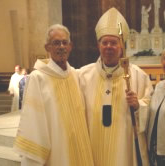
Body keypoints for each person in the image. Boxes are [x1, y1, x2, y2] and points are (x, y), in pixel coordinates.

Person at [78, 7, 153, 166]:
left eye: (114, 42)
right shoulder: (83, 76)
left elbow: (150, 108)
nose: (109, 46)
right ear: (99, 46)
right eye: (105, 42)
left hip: (124, 149)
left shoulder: (138, 76)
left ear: (122, 47)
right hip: (93, 146)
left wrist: (138, 105)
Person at [13, 24, 94, 166]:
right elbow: (34, 121)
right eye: (56, 43)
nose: (61, 46)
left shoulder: (75, 75)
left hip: (81, 150)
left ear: (70, 46)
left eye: (64, 42)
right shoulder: (38, 78)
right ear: (47, 47)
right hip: (57, 153)